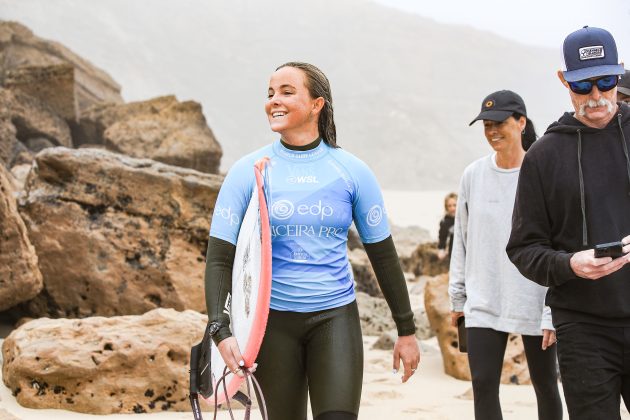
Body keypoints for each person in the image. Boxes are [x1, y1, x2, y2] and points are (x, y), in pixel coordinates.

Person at [204, 62, 420, 420]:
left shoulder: (351, 171)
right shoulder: (249, 170)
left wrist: (407, 330)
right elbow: (220, 259)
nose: (275, 100)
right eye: (270, 93)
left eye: (287, 92)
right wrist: (220, 328)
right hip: (271, 325)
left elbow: (383, 256)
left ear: (317, 104)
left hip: (334, 318)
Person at [506, 26, 630, 419]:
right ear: (564, 80)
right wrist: (569, 264)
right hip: (583, 329)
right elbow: (523, 248)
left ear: (620, 73)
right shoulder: (543, 156)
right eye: (582, 85)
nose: (596, 96)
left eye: (606, 82)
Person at [449, 90, 563, 420]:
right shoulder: (474, 175)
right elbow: (463, 239)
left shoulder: (542, 173)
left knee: (545, 385)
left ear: (521, 123)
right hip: (484, 300)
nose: (492, 131)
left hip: (534, 299)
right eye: (487, 124)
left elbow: (557, 243)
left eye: (500, 123)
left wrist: (551, 310)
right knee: (483, 386)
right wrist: (458, 298)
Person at [437, 192, 457, 261]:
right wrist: (441, 249)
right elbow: (442, 237)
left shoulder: (464, 219)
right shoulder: (444, 222)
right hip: (453, 253)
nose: (452, 208)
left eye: (455, 205)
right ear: (446, 207)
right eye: (449, 206)